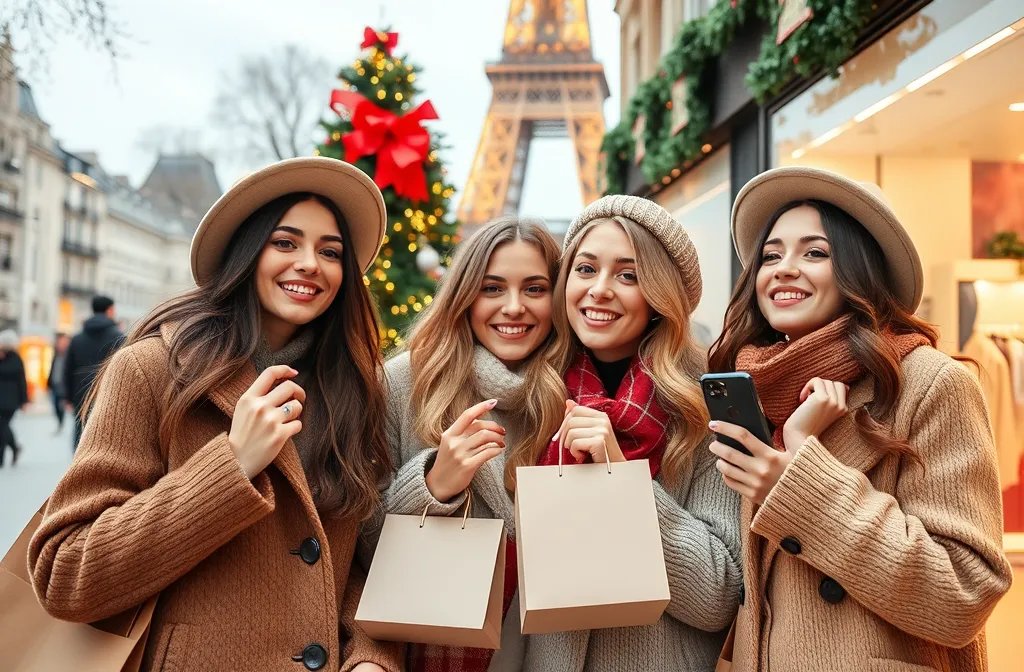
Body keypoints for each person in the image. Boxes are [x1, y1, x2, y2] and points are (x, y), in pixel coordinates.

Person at [29, 157, 403, 672]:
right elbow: (65, 573)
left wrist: (370, 656)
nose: (310, 264)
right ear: (247, 253)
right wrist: (231, 463)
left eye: (330, 250)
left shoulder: (350, 390)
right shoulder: (152, 370)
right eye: (285, 242)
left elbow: (348, 566)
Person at [707, 166, 1014, 670]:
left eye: (815, 252)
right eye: (771, 254)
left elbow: (965, 593)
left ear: (860, 271)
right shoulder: (759, 392)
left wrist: (805, 474)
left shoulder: (930, 383)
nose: (784, 268)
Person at [539, 196, 741, 669]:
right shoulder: (533, 391)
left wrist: (622, 480)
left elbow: (719, 597)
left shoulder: (703, 407)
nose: (600, 290)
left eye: (627, 275)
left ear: (658, 296)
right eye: (585, 269)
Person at [362, 215, 564, 670]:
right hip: (436, 648)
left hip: (548, 651)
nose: (514, 307)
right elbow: (360, 553)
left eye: (534, 289)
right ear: (463, 296)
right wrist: (433, 486)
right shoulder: (404, 383)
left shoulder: (577, 391)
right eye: (492, 288)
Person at [64, 295, 124, 449]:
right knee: (105, 429)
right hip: (107, 389)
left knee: (80, 428)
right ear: (110, 310)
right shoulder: (117, 336)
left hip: (80, 389)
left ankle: (78, 465)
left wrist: (67, 397)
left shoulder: (77, 338)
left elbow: (68, 368)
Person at [0, 329, 28, 467]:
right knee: (3, 426)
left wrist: (24, 401)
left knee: (2, 426)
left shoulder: (15, 359)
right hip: (3, 399)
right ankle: (14, 448)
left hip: (10, 400)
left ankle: (4, 456)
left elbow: (21, 380)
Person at [48, 332, 71, 435]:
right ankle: (60, 423)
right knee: (55, 406)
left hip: (63, 386)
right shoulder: (55, 355)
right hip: (54, 384)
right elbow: (52, 369)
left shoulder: (69, 355)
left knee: (62, 406)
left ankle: (61, 424)